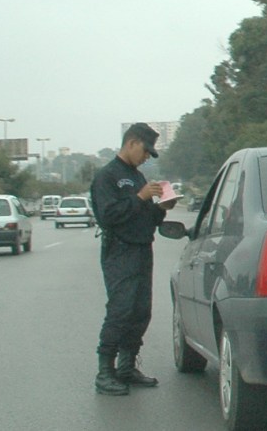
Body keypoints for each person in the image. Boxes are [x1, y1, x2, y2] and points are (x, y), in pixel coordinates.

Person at [89, 122, 177, 396]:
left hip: (141, 248)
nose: (147, 157)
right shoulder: (107, 176)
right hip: (120, 250)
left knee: (141, 311)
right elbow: (108, 216)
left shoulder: (138, 177)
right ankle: (105, 371)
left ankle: (127, 367)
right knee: (121, 310)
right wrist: (139, 197)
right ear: (131, 143)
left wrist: (161, 208)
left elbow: (146, 218)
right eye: (145, 151)